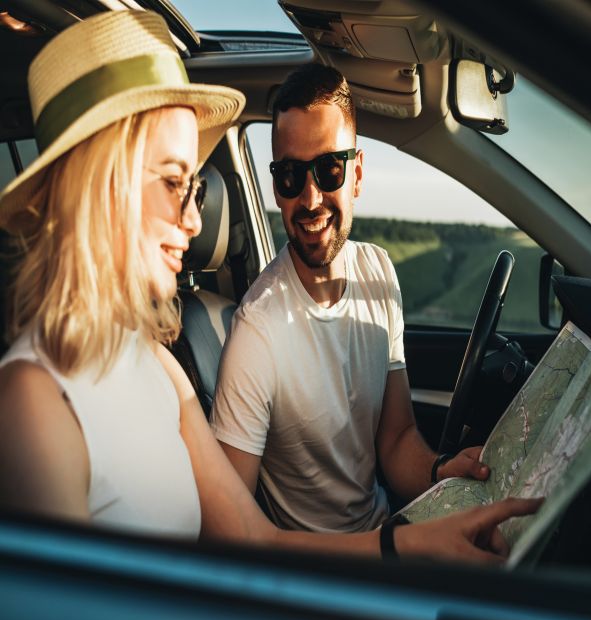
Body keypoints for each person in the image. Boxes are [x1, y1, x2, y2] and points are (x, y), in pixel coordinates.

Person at [0, 10, 539, 563]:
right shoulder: (34, 399)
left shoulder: (157, 367)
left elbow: (249, 539)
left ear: (356, 174)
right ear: (97, 188)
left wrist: (415, 538)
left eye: (194, 190)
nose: (191, 220)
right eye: (171, 183)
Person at [211, 64, 491, 533]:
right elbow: (230, 529)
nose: (311, 197)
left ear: (356, 174)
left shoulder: (378, 273)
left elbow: (397, 439)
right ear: (276, 187)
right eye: (290, 176)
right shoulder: (257, 332)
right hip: (327, 574)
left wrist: (443, 473)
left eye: (328, 169)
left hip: (383, 528)